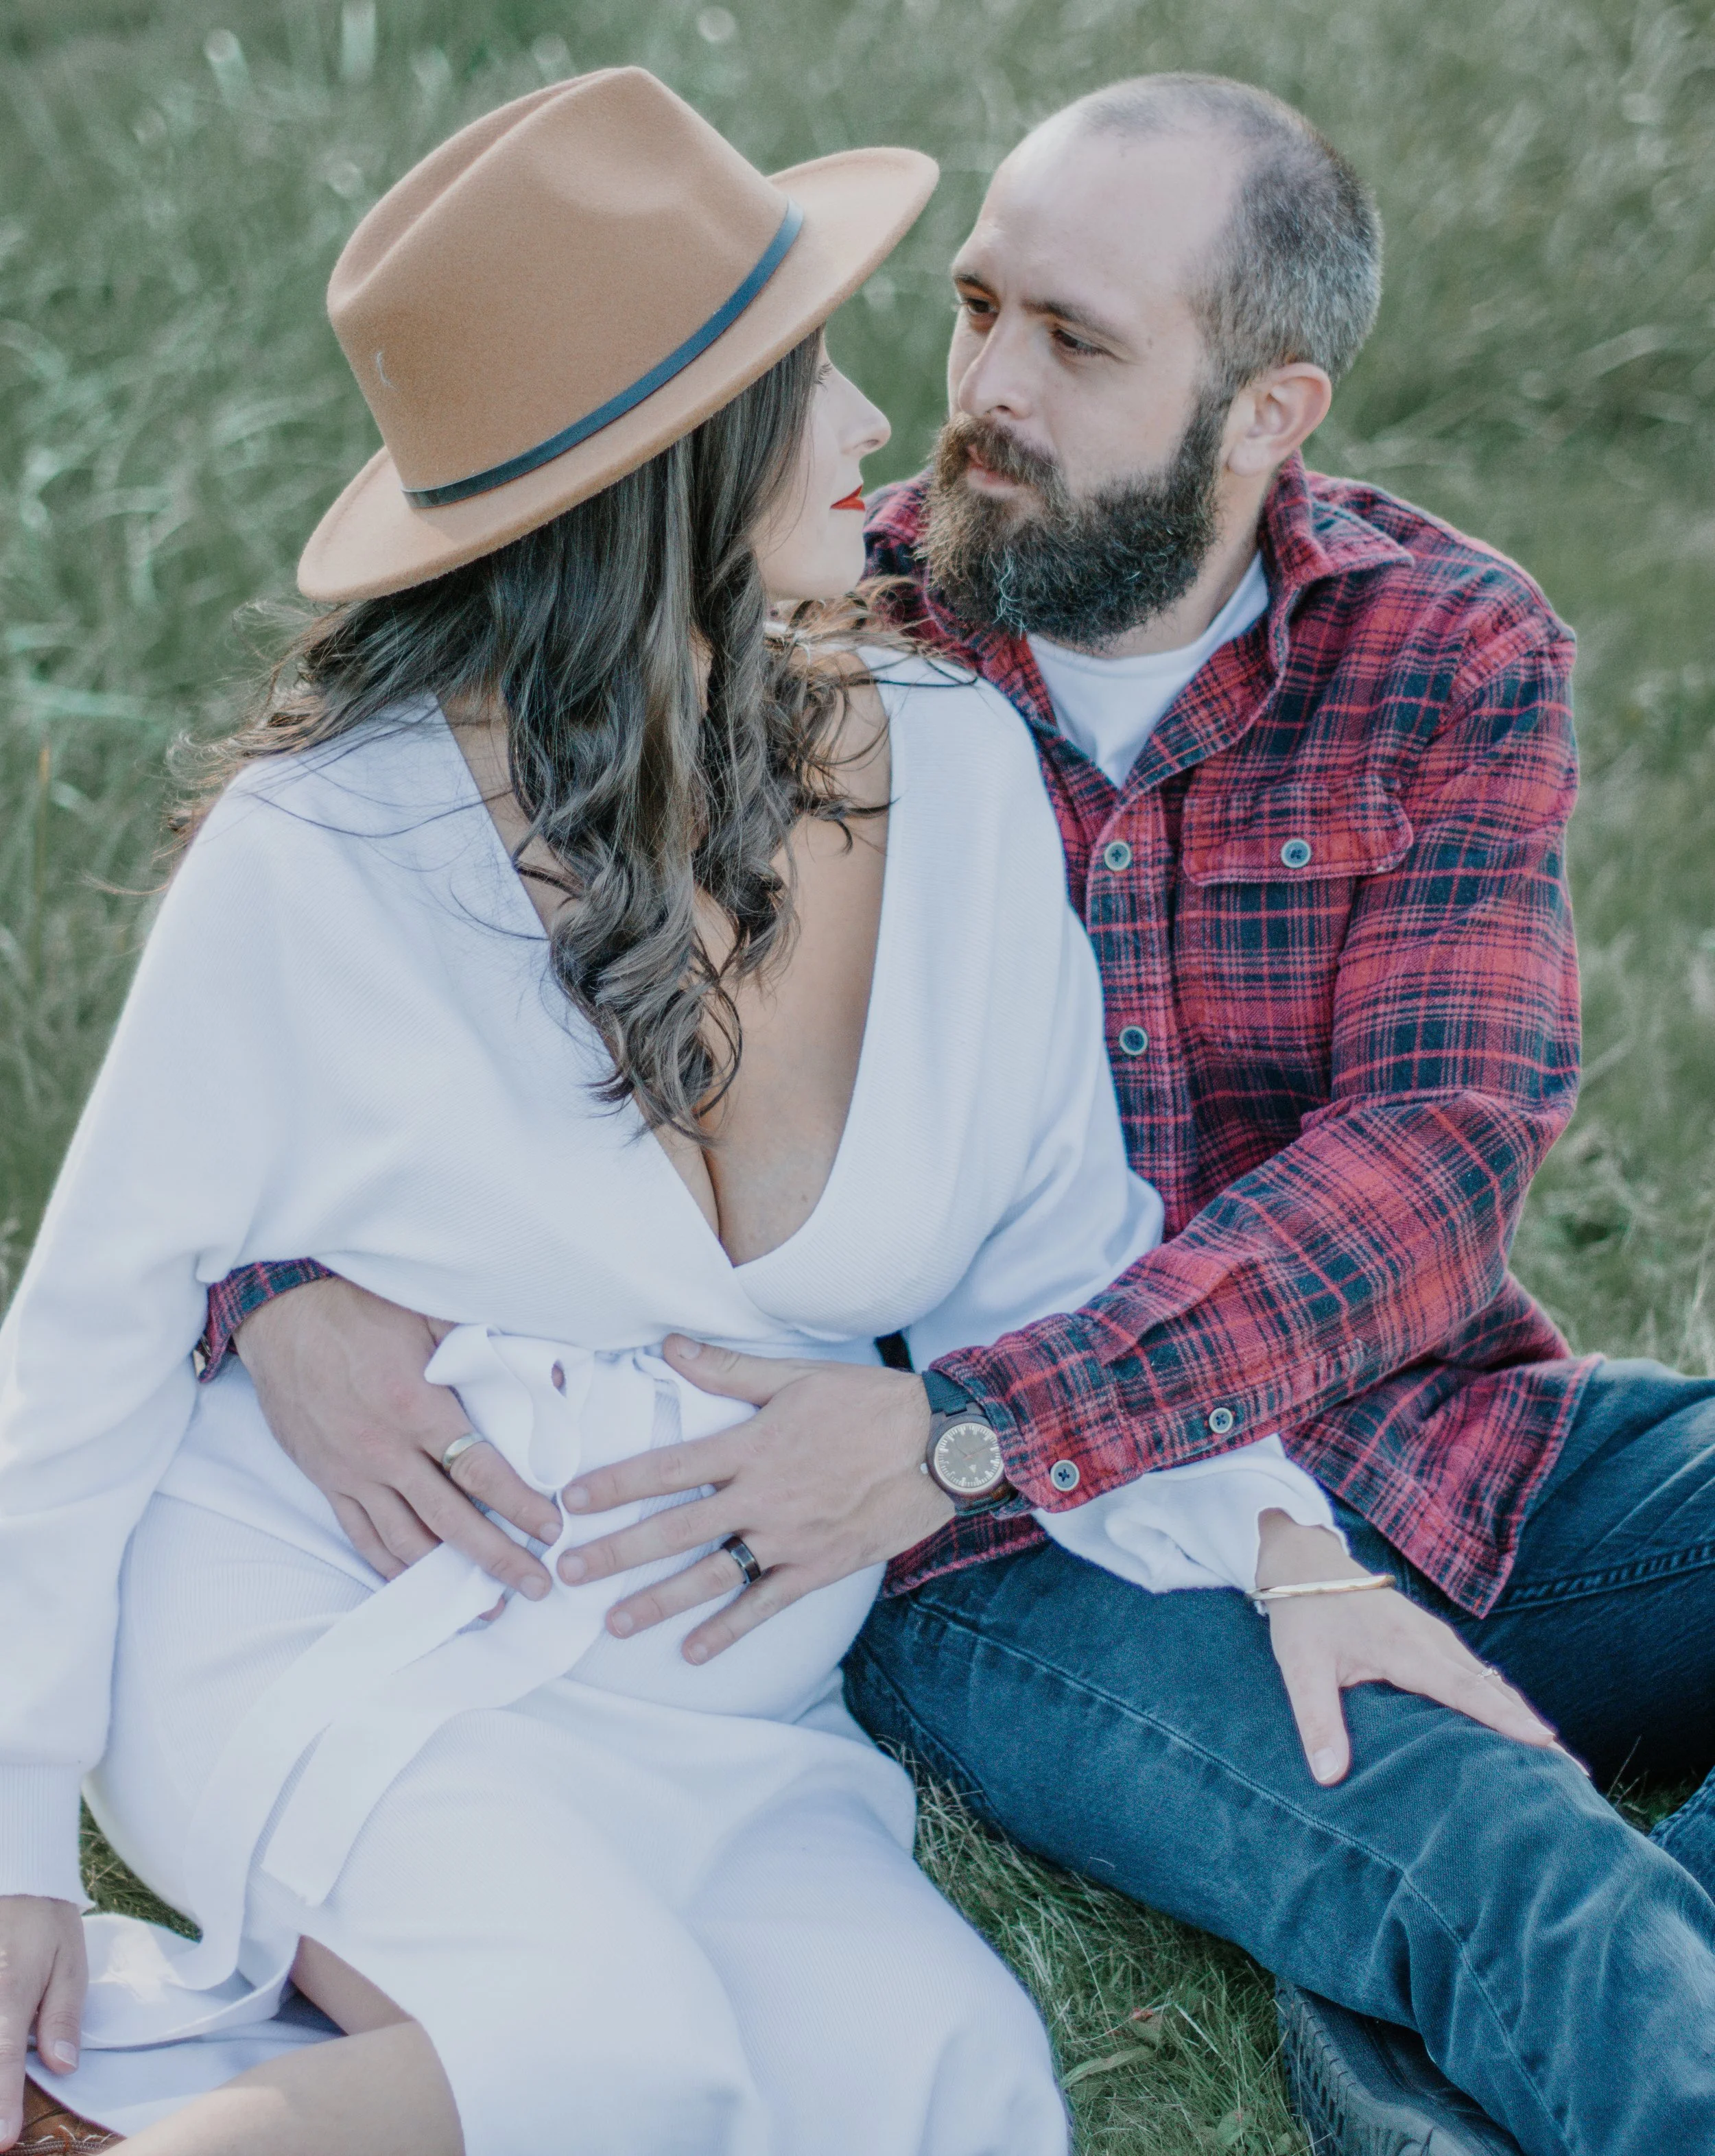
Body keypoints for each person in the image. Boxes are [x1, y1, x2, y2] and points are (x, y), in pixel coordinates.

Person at [209, 73, 1715, 2156]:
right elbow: (359, 964)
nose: (984, 388)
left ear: (1269, 411)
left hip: (1407, 1434)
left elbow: (1431, 1170)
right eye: (974, 308)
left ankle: (1421, 2052)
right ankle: (1491, 1977)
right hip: (983, 1543)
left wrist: (1007, 1401)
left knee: (1543, 1839)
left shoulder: (1440, 645)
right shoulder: (813, 613)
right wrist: (272, 1275)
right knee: (1500, 1848)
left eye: (1076, 343)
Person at [0, 66, 1358, 2156]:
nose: (874, 428)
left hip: (721, 1706)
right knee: (607, 2059)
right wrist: (9, 1837)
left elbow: (1065, 1268)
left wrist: (1287, 1551)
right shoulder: (319, 853)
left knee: (956, 2090)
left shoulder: (962, 781)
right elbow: (83, 1344)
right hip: (327, 1606)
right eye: (806, 380)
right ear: (673, 471)